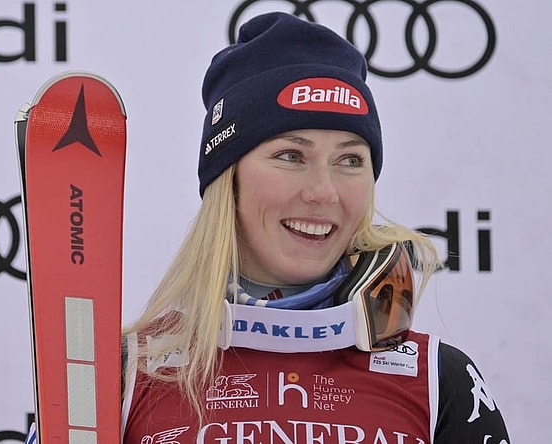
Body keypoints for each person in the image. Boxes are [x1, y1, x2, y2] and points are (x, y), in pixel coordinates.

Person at [119, 12, 511, 444]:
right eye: (291, 155)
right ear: (227, 178)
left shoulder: (440, 381)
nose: (324, 192)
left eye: (349, 160)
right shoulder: (125, 375)